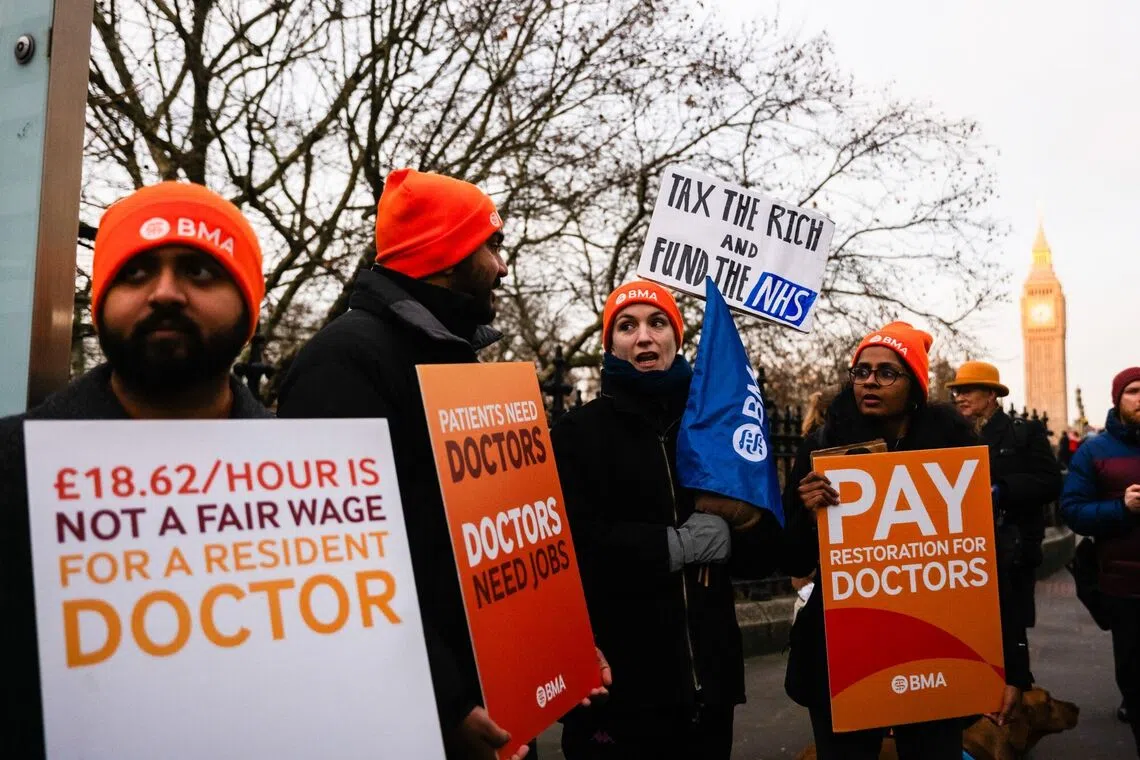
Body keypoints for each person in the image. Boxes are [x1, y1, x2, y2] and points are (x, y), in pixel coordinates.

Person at [276, 168, 607, 760]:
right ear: (447, 255)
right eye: (492, 245)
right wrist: (445, 703)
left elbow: (508, 547)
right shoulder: (343, 363)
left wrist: (561, 652)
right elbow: (345, 566)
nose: (503, 267)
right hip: (420, 720)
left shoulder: (452, 360)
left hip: (495, 698)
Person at [0, 182, 271, 758]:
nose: (165, 293)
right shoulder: (8, 465)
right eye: (135, 273)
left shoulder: (325, 480)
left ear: (250, 306)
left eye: (200, 271)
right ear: (99, 307)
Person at [550, 281, 783, 760]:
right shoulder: (576, 433)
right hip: (619, 693)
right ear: (610, 344)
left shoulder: (717, 429)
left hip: (709, 691)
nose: (643, 337)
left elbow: (765, 560)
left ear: (677, 338)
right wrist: (673, 546)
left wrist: (741, 524)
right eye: (626, 326)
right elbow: (573, 545)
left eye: (657, 323)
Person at [783, 322, 1030, 760]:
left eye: (886, 372)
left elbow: (985, 565)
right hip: (844, 661)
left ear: (914, 385)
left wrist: (1013, 666)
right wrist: (806, 512)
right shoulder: (822, 447)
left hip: (932, 660)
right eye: (861, 371)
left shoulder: (952, 456)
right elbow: (794, 558)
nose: (870, 381)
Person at [948, 361, 1062, 640]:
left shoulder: (1024, 432)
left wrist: (1003, 489)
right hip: (966, 555)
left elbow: (1050, 482)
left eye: (968, 390)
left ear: (991, 395)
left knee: (1010, 635)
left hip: (1012, 552)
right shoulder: (951, 435)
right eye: (957, 391)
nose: (960, 397)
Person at [1061, 367, 1140, 751]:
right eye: (1134, 391)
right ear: (1117, 399)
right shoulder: (1094, 452)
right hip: (1126, 589)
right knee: (1135, 678)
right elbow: (1072, 511)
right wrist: (1122, 507)